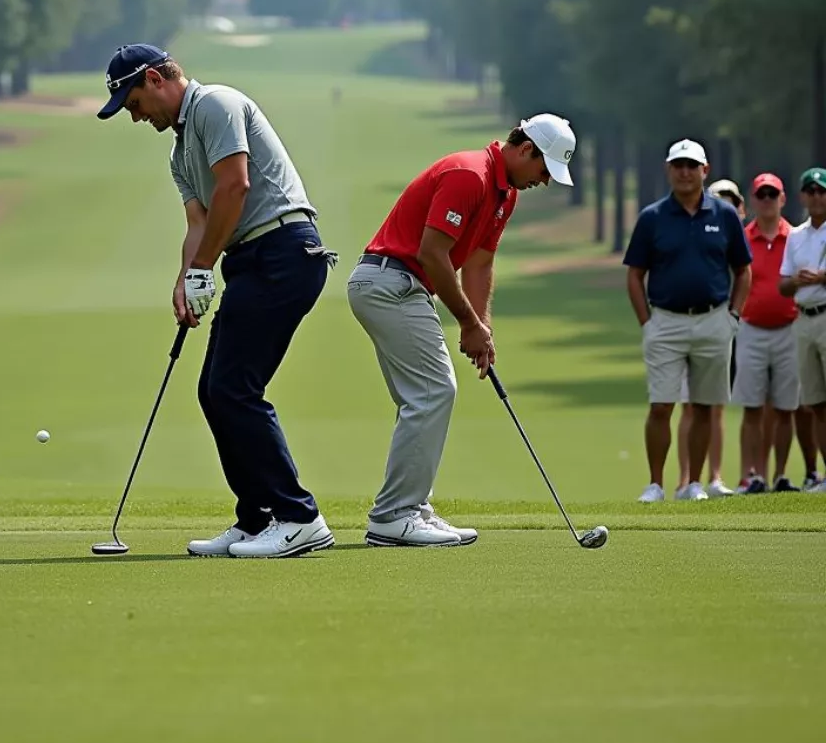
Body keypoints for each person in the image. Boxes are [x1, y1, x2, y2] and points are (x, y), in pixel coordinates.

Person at [98, 43, 335, 558]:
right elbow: (199, 222)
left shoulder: (215, 105)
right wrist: (186, 279)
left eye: (135, 103)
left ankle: (299, 516)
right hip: (248, 261)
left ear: (157, 78)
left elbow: (235, 186)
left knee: (235, 388)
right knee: (214, 390)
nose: (136, 117)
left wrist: (204, 267)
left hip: (285, 250)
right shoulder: (179, 151)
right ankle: (256, 517)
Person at [348, 115, 577, 547]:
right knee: (434, 390)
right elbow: (433, 254)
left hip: (402, 286)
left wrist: (483, 330)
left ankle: (409, 507)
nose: (544, 181)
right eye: (545, 170)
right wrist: (468, 323)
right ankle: (394, 515)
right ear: (526, 149)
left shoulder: (505, 194)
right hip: (389, 282)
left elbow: (479, 262)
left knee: (424, 396)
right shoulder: (469, 174)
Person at [626, 139, 752, 503]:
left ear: (704, 171)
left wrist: (733, 316)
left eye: (691, 166)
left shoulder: (725, 215)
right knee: (661, 405)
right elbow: (635, 274)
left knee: (701, 405)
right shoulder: (652, 217)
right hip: (665, 321)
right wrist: (646, 322)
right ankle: (655, 484)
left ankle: (694, 483)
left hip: (714, 320)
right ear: (669, 169)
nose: (684, 172)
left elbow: (743, 271)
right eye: (678, 165)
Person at [730, 174, 800, 492]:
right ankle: (751, 475)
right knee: (752, 407)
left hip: (789, 328)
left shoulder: (796, 238)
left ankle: (780, 474)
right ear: (754, 200)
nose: (768, 200)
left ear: (783, 199)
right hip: (752, 329)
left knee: (785, 407)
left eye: (773, 194)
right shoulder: (742, 237)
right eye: (762, 194)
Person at [778, 166, 826, 492]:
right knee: (815, 403)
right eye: (810, 191)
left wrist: (822, 278)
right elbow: (783, 285)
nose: (817, 196)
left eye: (822, 190)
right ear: (802, 197)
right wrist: (797, 281)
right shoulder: (795, 235)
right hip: (803, 319)